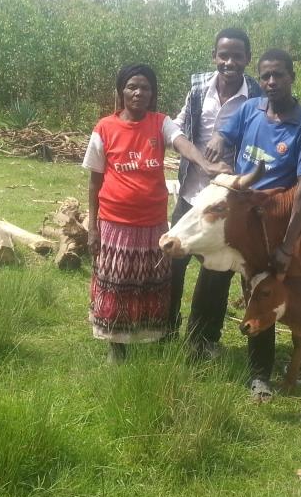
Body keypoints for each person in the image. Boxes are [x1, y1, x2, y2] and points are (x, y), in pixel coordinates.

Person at [83, 64, 229, 362]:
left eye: (146, 88)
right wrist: (93, 227)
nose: (139, 93)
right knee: (117, 284)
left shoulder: (160, 124)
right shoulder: (104, 128)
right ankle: (116, 346)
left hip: (153, 224)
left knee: (150, 283)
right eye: (132, 87)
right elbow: (94, 180)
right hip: (115, 224)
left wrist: (206, 164)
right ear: (121, 91)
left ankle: (147, 339)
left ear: (153, 93)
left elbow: (183, 144)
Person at [206, 48, 301, 401]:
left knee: (269, 292)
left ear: (292, 77)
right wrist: (219, 140)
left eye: (279, 75)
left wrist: (287, 244)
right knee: (220, 275)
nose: (271, 82)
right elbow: (224, 134)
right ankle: (208, 348)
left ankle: (272, 372)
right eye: (266, 76)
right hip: (239, 213)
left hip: (275, 223)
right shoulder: (250, 109)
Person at [168, 28, 263, 357]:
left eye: (237, 56)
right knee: (172, 262)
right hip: (191, 193)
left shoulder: (257, 95)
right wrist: (200, 161)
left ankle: (202, 339)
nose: (229, 62)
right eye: (223, 55)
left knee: (217, 271)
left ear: (248, 59)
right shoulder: (197, 87)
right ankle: (166, 329)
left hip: (227, 201)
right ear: (214, 56)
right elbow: (175, 129)